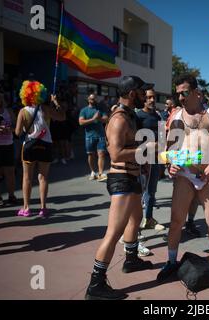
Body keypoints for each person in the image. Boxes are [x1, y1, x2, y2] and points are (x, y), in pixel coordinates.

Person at [156, 74, 209, 284]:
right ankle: (172, 262)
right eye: (178, 93)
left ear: (196, 92)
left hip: (207, 175)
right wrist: (169, 163)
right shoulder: (175, 116)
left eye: (185, 92)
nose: (180, 96)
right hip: (184, 175)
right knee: (176, 222)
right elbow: (167, 147)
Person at [85, 76, 154, 300]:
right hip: (121, 179)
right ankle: (95, 284)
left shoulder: (129, 115)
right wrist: (145, 148)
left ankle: (131, 260)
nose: (146, 95)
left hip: (131, 178)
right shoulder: (119, 120)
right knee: (114, 232)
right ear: (132, 92)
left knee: (136, 219)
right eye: (142, 91)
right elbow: (115, 154)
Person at [15, 81, 66, 217]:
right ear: (40, 94)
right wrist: (55, 102)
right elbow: (62, 117)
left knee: (27, 178)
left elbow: (18, 132)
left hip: (29, 146)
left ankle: (26, 208)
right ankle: (43, 208)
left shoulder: (23, 111)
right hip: (46, 146)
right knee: (43, 177)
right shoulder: (46, 109)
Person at [137, 88, 165, 231]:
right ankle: (134, 227)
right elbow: (132, 139)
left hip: (155, 159)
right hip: (142, 160)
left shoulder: (158, 116)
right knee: (139, 193)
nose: (152, 100)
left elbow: (162, 137)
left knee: (151, 191)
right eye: (149, 97)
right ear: (143, 99)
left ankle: (148, 218)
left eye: (154, 97)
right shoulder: (138, 116)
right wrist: (146, 145)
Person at [79, 94, 108, 182]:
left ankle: (100, 173)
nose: (93, 99)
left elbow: (106, 119)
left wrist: (99, 119)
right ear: (88, 99)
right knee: (91, 154)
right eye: (91, 98)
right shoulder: (84, 110)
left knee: (101, 153)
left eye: (94, 98)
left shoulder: (100, 109)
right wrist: (93, 119)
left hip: (100, 135)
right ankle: (93, 172)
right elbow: (81, 122)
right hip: (89, 136)